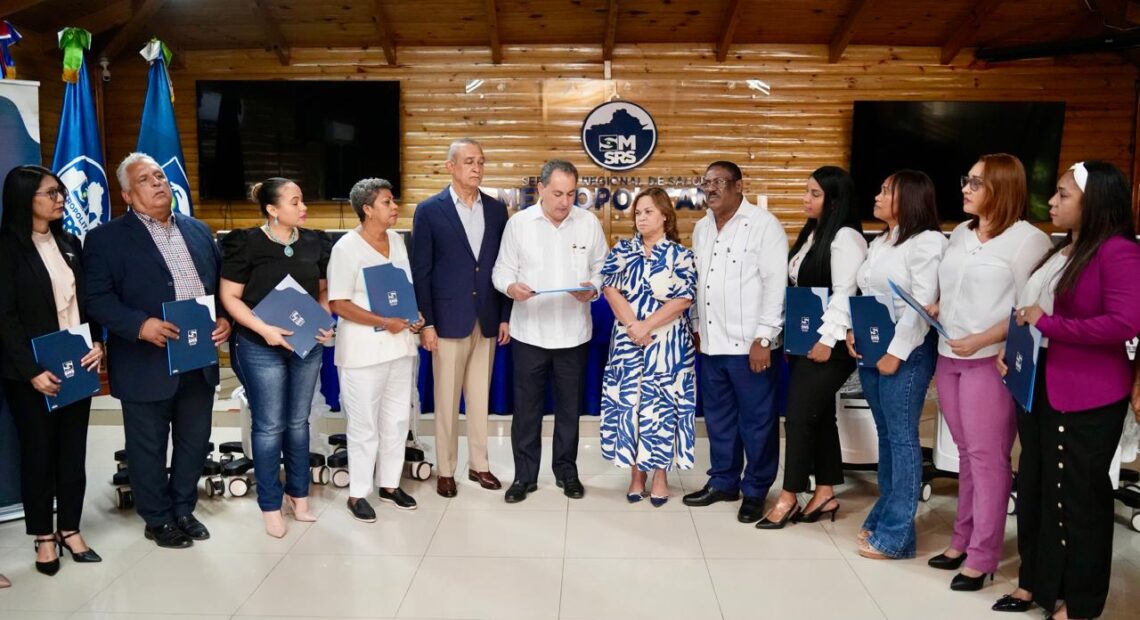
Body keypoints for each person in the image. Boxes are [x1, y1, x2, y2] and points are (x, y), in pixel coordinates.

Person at [994, 161, 1140, 620]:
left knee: (1079, 500)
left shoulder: (1118, 251)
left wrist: (1049, 324)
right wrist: (1014, 350)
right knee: (1039, 487)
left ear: (1094, 201)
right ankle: (1038, 585)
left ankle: (1080, 603)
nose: (1052, 202)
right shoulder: (1065, 249)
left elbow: (1124, 323)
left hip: (1089, 392)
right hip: (1042, 383)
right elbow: (1031, 310)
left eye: (1063, 195)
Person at [84, 152, 231, 549]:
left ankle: (183, 508)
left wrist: (224, 319)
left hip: (197, 357)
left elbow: (217, 287)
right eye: (145, 180)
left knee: (194, 441)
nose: (158, 183)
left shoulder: (198, 230)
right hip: (144, 360)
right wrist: (140, 325)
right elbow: (96, 298)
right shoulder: (105, 239)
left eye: (161, 176)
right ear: (127, 195)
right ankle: (158, 518)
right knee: (147, 446)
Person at [925, 154, 1052, 590]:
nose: (965, 188)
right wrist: (938, 305)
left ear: (1003, 188)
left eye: (976, 182)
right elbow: (955, 285)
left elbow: (1028, 308)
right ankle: (961, 541)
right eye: (967, 179)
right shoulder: (961, 232)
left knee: (988, 457)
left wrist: (982, 339)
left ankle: (983, 555)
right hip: (949, 354)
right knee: (965, 454)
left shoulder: (1028, 241)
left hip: (989, 360)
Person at [0, 165, 104, 574]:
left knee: (72, 451)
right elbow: (5, 318)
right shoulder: (7, 248)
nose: (61, 199)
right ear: (25, 198)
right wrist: (31, 371)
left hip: (76, 361)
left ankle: (71, 529)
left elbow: (85, 303)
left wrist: (98, 342)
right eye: (51, 193)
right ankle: (44, 536)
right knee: (38, 453)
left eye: (61, 192)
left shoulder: (69, 242)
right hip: (31, 373)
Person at [219, 178, 334, 538]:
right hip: (258, 344)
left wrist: (324, 318)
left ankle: (299, 495)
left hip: (305, 344)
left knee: (298, 422)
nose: (303, 207)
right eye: (295, 202)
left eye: (303, 200)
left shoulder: (314, 241)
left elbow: (323, 289)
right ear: (272, 209)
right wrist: (264, 329)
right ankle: (270, 503)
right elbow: (230, 297)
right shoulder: (246, 242)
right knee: (269, 425)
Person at [492, 159, 606, 503]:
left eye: (571, 194)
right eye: (557, 193)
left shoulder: (588, 223)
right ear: (540, 189)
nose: (564, 201)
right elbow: (501, 271)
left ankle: (567, 472)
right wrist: (511, 287)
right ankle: (524, 477)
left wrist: (594, 288)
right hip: (530, 333)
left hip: (574, 334)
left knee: (569, 410)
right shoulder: (519, 224)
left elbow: (603, 267)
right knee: (526, 410)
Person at [844, 170, 945, 560]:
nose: (878, 195)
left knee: (902, 440)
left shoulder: (927, 242)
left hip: (906, 352)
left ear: (910, 198)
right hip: (873, 349)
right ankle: (885, 515)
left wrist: (897, 353)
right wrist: (853, 331)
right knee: (886, 437)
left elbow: (921, 306)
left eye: (887, 190)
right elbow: (868, 293)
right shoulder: (882, 240)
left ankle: (897, 536)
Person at [759, 166, 866, 529]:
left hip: (828, 346)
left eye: (814, 194)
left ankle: (789, 495)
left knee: (799, 418)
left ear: (834, 200)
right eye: (806, 191)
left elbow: (845, 294)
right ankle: (825, 492)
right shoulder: (813, 233)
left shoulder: (845, 238)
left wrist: (826, 341)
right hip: (805, 341)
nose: (806, 199)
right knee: (820, 417)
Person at [682, 161, 788, 524]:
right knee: (719, 420)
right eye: (706, 183)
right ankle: (723, 482)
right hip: (712, 344)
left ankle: (755, 490)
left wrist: (764, 336)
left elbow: (775, 285)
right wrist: (697, 326)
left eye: (719, 182)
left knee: (757, 422)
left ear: (739, 186)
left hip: (749, 346)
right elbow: (700, 282)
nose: (710, 189)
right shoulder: (702, 228)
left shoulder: (763, 225)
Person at [411, 138, 511, 498]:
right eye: (469, 161)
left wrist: (504, 316)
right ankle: (446, 469)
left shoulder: (497, 210)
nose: (477, 168)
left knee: (480, 398)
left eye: (481, 162)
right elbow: (421, 271)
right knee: (447, 400)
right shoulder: (429, 210)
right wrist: (428, 323)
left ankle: (479, 464)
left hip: (487, 317)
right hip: (447, 320)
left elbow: (504, 265)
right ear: (450, 166)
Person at [328, 178, 422, 522]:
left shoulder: (396, 240)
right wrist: (383, 320)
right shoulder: (346, 248)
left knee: (396, 420)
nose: (394, 207)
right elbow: (338, 303)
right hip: (363, 352)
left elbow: (403, 289)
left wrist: (414, 316)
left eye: (393, 200)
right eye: (387, 202)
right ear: (367, 209)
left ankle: (390, 485)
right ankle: (358, 494)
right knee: (364, 424)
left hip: (399, 346)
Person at [599, 188, 697, 506]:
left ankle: (660, 475)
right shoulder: (623, 250)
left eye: (648, 212)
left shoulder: (680, 255)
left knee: (662, 408)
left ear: (665, 216)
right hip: (628, 342)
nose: (641, 218)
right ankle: (636, 474)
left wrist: (647, 325)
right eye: (638, 213)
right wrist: (634, 326)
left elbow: (684, 298)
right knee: (632, 406)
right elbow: (610, 289)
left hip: (668, 345)